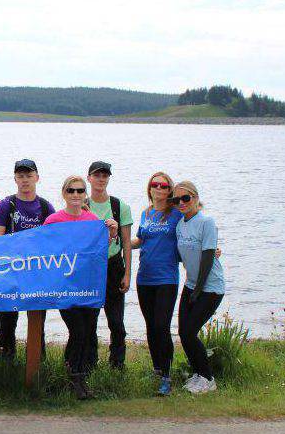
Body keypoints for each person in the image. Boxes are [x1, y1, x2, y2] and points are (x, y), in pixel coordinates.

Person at [44, 176, 119, 399]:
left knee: (88, 332)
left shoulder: (92, 219)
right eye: (71, 190)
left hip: (88, 286)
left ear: (85, 194)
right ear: (64, 193)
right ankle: (74, 376)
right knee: (77, 330)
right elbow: (44, 250)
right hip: (65, 287)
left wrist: (112, 232)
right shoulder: (53, 220)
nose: (75, 195)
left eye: (79, 191)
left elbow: (98, 250)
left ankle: (79, 376)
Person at [0, 158, 54, 360]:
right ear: (15, 178)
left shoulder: (45, 206)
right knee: (7, 324)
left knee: (38, 323)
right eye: (21, 176)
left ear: (37, 178)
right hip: (10, 275)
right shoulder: (6, 205)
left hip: (36, 275)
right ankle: (5, 364)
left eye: (29, 176)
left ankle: (38, 364)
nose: (25, 180)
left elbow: (55, 240)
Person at [173, 181, 226, 394]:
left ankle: (208, 378)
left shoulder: (206, 222)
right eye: (177, 200)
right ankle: (198, 374)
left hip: (210, 288)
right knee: (183, 333)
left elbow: (207, 258)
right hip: (191, 284)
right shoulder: (180, 225)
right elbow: (181, 255)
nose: (182, 203)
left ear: (195, 198)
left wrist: (198, 290)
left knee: (189, 331)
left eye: (186, 198)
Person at [131, 171, 181, 396]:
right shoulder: (146, 213)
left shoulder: (177, 214)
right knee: (151, 326)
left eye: (164, 186)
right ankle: (157, 368)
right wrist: (117, 240)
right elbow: (140, 240)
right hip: (145, 278)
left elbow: (193, 234)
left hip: (166, 279)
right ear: (149, 188)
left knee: (162, 326)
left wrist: (210, 250)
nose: (159, 188)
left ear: (170, 190)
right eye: (155, 185)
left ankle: (167, 376)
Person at [84, 160, 131, 369]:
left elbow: (127, 244)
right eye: (97, 175)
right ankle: (91, 362)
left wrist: (128, 274)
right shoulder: (82, 204)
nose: (101, 179)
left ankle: (117, 364)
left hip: (113, 264)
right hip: (90, 267)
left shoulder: (119, 206)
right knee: (89, 321)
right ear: (89, 178)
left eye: (105, 175)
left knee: (116, 322)